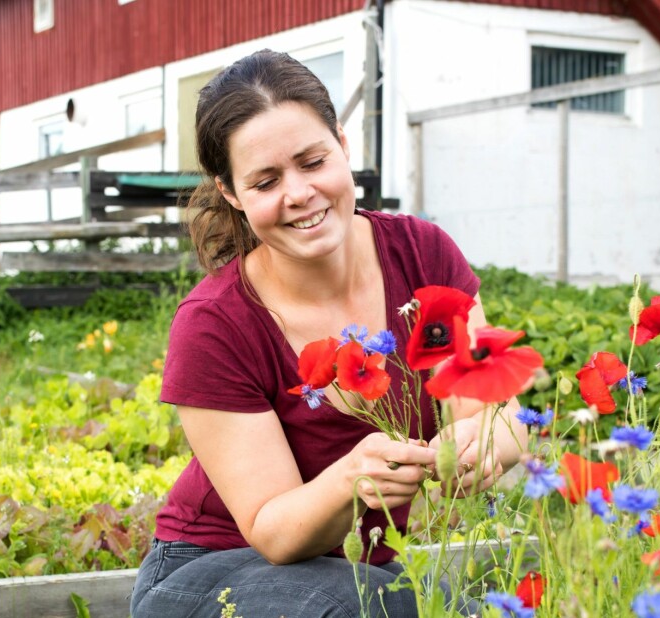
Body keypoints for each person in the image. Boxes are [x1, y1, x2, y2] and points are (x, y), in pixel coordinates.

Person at [130, 49, 527, 618]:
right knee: (361, 608)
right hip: (206, 573)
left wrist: (484, 444)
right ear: (232, 195)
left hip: (348, 572)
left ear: (343, 146)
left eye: (312, 162)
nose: (298, 193)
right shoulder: (215, 324)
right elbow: (275, 533)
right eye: (266, 182)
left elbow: (498, 411)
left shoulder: (421, 255)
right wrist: (351, 478)